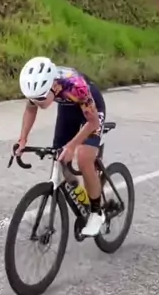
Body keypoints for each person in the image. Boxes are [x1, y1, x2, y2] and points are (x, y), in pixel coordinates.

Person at [16, 56, 107, 237]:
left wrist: (72, 145)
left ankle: (97, 212)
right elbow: (31, 109)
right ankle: (83, 199)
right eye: (33, 98)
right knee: (60, 158)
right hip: (68, 107)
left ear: (52, 86)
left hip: (90, 107)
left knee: (83, 158)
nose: (39, 103)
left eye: (41, 98)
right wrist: (22, 140)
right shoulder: (38, 87)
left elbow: (93, 122)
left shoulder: (75, 85)